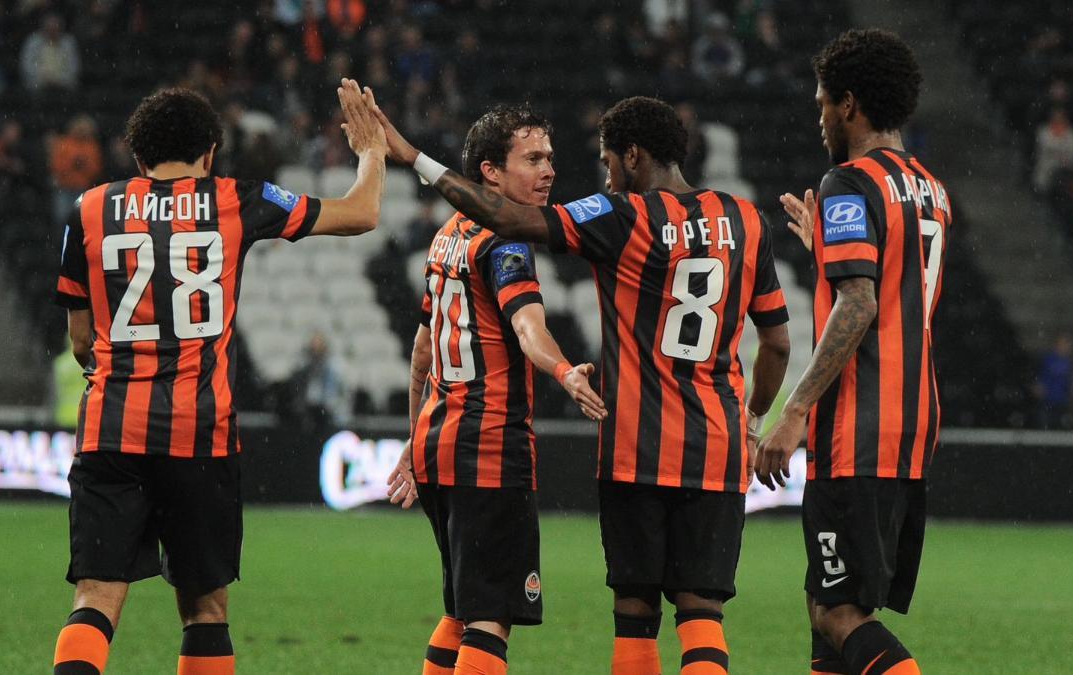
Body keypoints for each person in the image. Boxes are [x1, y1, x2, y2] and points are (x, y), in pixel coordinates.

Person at [376, 95, 791, 675]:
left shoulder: (619, 215)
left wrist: (412, 157)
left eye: (606, 160)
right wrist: (753, 421)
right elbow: (777, 344)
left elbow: (511, 228)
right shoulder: (748, 219)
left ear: (633, 156)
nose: (601, 174)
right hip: (715, 446)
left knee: (630, 611)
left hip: (632, 447)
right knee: (701, 616)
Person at [49, 80, 386, 675]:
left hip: (110, 432)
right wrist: (373, 151)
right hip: (199, 435)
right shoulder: (234, 198)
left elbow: (81, 341)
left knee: (96, 599)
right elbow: (361, 213)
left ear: (137, 156)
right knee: (205, 610)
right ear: (210, 152)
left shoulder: (89, 209)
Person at [385, 105, 606, 675]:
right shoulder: (503, 244)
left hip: (439, 445)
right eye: (532, 159)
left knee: (463, 606)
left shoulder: (444, 239)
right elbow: (530, 328)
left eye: (550, 158)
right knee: (490, 615)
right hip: (488, 448)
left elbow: (421, 354)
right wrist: (565, 373)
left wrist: (414, 441)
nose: (549, 171)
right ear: (490, 172)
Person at [759, 28, 951, 675]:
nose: (818, 119)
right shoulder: (931, 189)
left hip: (857, 429)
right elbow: (896, 293)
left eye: (820, 104)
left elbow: (861, 304)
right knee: (826, 605)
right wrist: (828, 252)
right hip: (912, 424)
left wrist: (793, 409)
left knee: (837, 612)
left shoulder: (849, 181)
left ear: (848, 105)